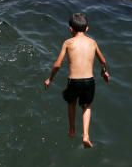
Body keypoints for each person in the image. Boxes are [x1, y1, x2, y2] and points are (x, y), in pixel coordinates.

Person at [44, 13, 109, 148]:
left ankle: (72, 129)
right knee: (86, 106)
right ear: (87, 29)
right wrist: (104, 72)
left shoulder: (68, 43)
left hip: (74, 81)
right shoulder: (92, 42)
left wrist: (50, 79)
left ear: (70, 29)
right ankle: (86, 135)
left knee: (71, 103)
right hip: (89, 81)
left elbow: (57, 64)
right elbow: (103, 61)